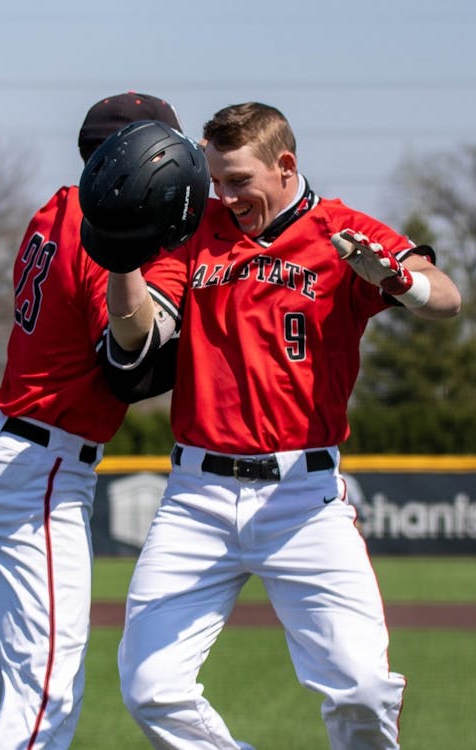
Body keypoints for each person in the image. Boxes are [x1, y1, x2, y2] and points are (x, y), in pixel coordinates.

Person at [101, 102, 461, 749]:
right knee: (151, 687)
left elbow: (447, 298)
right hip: (197, 498)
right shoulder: (199, 228)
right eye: (216, 180)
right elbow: (138, 333)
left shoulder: (339, 230)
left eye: (239, 180)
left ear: (285, 164)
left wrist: (400, 281)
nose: (225, 196)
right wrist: (121, 256)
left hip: (303, 499)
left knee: (360, 686)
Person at [0, 92, 184, 750]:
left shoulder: (57, 206)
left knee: (13, 682)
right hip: (40, 467)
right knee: (46, 687)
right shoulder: (103, 235)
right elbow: (126, 363)